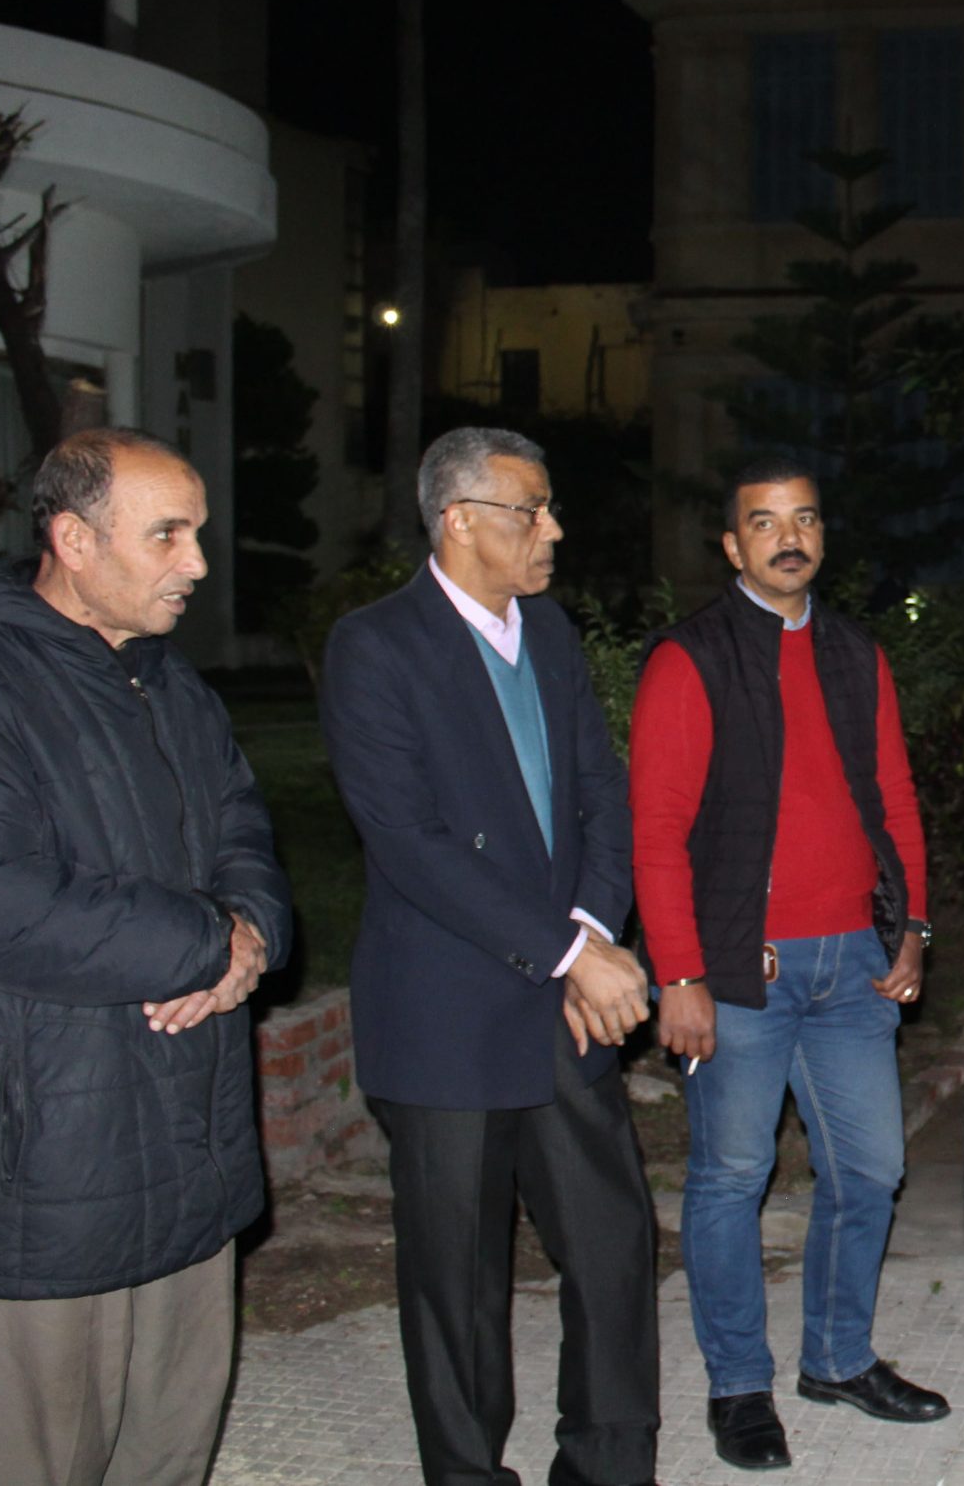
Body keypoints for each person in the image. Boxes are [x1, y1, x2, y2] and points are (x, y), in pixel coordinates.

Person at [0, 427, 290, 1485]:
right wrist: (206, 941)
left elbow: (243, 831)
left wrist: (251, 935)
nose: (196, 563)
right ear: (73, 540)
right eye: (167, 535)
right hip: (44, 1178)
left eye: (197, 534)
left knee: (168, 1453)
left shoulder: (169, 680)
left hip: (190, 1159)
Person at [322, 426, 660, 1486]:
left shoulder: (548, 632)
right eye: (530, 510)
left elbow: (602, 792)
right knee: (459, 1285)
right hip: (448, 1015)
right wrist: (567, 954)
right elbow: (408, 842)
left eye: (549, 507)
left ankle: (608, 1465)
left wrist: (594, 934)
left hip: (567, 1003)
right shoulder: (376, 645)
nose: (552, 528)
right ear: (460, 521)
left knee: (613, 1246)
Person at [631, 457, 947, 1472]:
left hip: (853, 965)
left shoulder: (855, 653)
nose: (788, 537)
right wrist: (680, 973)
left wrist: (913, 927)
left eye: (803, 518)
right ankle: (737, 1386)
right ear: (733, 545)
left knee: (872, 1170)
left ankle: (838, 1358)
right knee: (732, 1176)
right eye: (764, 522)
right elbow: (657, 831)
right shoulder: (692, 658)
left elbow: (894, 798)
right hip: (741, 971)